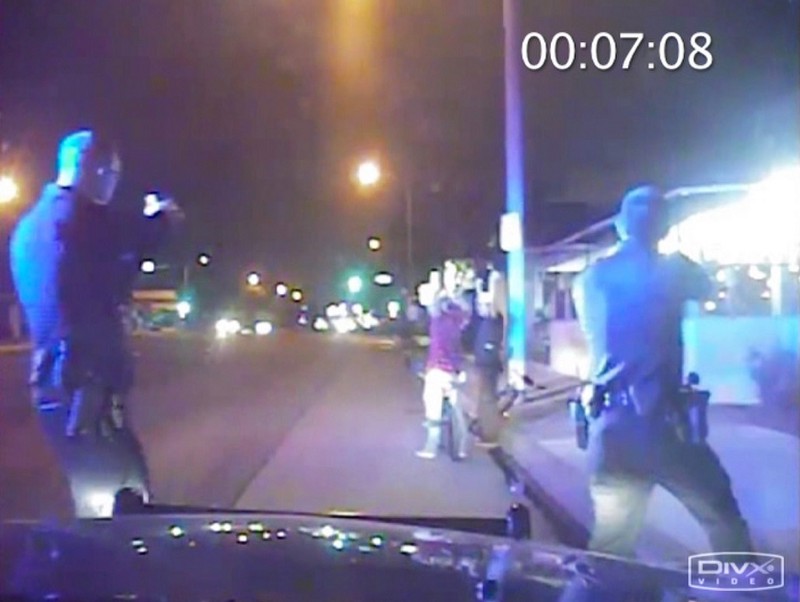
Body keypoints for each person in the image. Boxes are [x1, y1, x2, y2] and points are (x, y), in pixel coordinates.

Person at [571, 184, 753, 558]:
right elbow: (707, 288)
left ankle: (603, 585)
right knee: (722, 517)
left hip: (612, 428)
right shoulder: (673, 271)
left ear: (621, 226)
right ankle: (743, 583)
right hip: (664, 428)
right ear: (664, 228)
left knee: (612, 545)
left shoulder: (590, 277)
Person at [9, 129, 181, 508]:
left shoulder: (28, 228)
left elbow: (100, 281)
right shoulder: (82, 219)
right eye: (113, 173)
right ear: (98, 169)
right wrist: (162, 218)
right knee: (123, 499)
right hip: (86, 383)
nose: (113, 185)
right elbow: (137, 236)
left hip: (51, 381)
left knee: (92, 490)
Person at [417, 259, 472, 459]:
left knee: (432, 400)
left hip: (439, 364)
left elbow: (432, 306)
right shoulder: (462, 305)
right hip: (457, 364)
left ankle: (431, 445)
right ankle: (463, 446)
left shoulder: (441, 305)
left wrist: (440, 290)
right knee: (457, 407)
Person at [471, 261, 506, 447]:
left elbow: (503, 315)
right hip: (484, 342)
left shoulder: (497, 281)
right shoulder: (484, 283)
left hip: (490, 343)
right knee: (484, 389)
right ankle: (484, 429)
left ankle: (490, 433)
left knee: (488, 391)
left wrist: (502, 345)